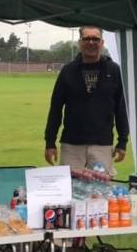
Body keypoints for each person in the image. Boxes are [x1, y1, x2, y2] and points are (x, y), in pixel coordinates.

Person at [43, 26, 129, 174]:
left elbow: (121, 109)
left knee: (100, 192)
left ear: (102, 43)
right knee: (71, 191)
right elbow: (56, 109)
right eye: (87, 38)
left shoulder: (113, 70)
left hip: (102, 144)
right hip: (72, 145)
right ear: (79, 43)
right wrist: (50, 142)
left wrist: (122, 141)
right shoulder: (67, 71)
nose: (91, 42)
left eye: (95, 39)